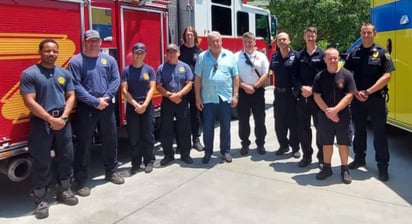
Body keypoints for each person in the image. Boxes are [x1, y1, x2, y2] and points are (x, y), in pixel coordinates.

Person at [20, 39, 78, 219]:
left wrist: (64, 117)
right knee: (42, 160)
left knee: (66, 157)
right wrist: (50, 119)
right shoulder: (30, 74)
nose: (51, 54)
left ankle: (64, 190)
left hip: (63, 121)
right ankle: (40, 198)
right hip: (41, 123)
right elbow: (29, 100)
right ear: (40, 52)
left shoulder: (64, 73)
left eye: (54, 51)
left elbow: (71, 95)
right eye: (47, 51)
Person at [69, 29, 124, 197]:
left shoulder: (109, 60)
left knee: (110, 139)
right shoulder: (76, 62)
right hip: (87, 108)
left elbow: (116, 80)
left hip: (106, 105)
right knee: (84, 143)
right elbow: (75, 86)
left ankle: (112, 171)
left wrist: (106, 97)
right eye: (90, 40)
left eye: (96, 40)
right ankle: (81, 181)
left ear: (101, 42)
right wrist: (94, 101)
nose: (93, 43)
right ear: (84, 42)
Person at [344, 23, 394, 182]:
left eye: (369, 33)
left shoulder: (382, 53)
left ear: (375, 34)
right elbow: (346, 73)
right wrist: (354, 92)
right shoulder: (354, 53)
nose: (366, 35)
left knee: (379, 134)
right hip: (358, 99)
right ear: (361, 33)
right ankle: (359, 158)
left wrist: (368, 91)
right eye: (363, 32)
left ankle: (383, 167)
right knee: (359, 131)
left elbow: (387, 76)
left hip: (376, 99)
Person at [312, 47, 357, 184]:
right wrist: (328, 112)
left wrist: (335, 110)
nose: (332, 60)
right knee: (326, 142)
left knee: (343, 143)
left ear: (339, 59)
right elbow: (316, 96)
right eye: (329, 58)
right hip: (325, 115)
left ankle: (345, 169)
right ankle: (327, 168)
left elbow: (349, 95)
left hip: (342, 115)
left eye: (335, 58)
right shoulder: (319, 76)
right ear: (324, 59)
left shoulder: (347, 75)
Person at [194, 31, 239, 164]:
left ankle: (225, 151)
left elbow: (235, 76)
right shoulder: (202, 57)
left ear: (221, 41)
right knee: (208, 127)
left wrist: (235, 95)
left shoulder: (229, 56)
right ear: (208, 43)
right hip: (208, 99)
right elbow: (197, 78)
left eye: (217, 40)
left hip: (225, 98)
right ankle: (208, 151)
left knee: (225, 126)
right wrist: (197, 97)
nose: (215, 43)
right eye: (212, 41)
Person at [121, 42, 156, 174]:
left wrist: (145, 104)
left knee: (148, 135)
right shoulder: (126, 70)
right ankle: (136, 164)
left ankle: (149, 162)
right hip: (132, 107)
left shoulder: (149, 70)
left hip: (146, 106)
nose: (139, 55)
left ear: (145, 54)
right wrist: (135, 104)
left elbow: (152, 88)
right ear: (133, 54)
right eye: (137, 53)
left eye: (141, 53)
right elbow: (124, 90)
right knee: (134, 137)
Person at [156, 43, 194, 166]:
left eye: (174, 52)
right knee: (166, 129)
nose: (171, 54)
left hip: (182, 100)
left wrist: (179, 95)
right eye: (169, 52)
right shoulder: (161, 68)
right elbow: (158, 85)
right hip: (167, 100)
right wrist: (169, 95)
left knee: (184, 128)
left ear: (179, 53)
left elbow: (189, 83)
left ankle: (185, 154)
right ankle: (168, 155)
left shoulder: (185, 67)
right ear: (166, 54)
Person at [296, 27, 326, 167]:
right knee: (303, 128)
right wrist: (301, 88)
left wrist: (314, 89)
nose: (310, 38)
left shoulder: (323, 55)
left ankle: (321, 158)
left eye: (312, 35)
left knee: (320, 129)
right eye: (308, 36)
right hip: (303, 98)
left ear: (316, 36)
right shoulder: (299, 56)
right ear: (304, 37)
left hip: (318, 98)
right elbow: (294, 76)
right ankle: (307, 156)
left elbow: (327, 76)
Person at [234, 32, 269, 155]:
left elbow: (266, 73)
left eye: (250, 41)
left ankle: (260, 144)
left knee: (260, 119)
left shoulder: (261, 56)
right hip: (243, 92)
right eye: (246, 41)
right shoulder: (236, 57)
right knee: (243, 120)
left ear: (255, 42)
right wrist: (244, 86)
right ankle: (244, 144)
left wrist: (255, 86)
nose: (248, 43)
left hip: (258, 92)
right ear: (243, 42)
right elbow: (234, 75)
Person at [269, 32, 300, 158]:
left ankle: (295, 148)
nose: (281, 41)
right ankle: (283, 145)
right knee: (279, 122)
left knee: (294, 123)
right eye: (279, 39)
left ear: (289, 41)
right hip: (279, 94)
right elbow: (271, 72)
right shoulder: (274, 56)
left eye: (284, 39)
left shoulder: (296, 56)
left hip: (292, 94)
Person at [179, 26, 204, 151]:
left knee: (195, 114)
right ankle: (182, 142)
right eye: (187, 34)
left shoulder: (200, 52)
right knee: (182, 115)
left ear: (195, 36)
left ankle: (196, 139)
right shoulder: (179, 51)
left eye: (191, 34)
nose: (189, 36)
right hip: (182, 87)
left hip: (196, 87)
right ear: (184, 36)